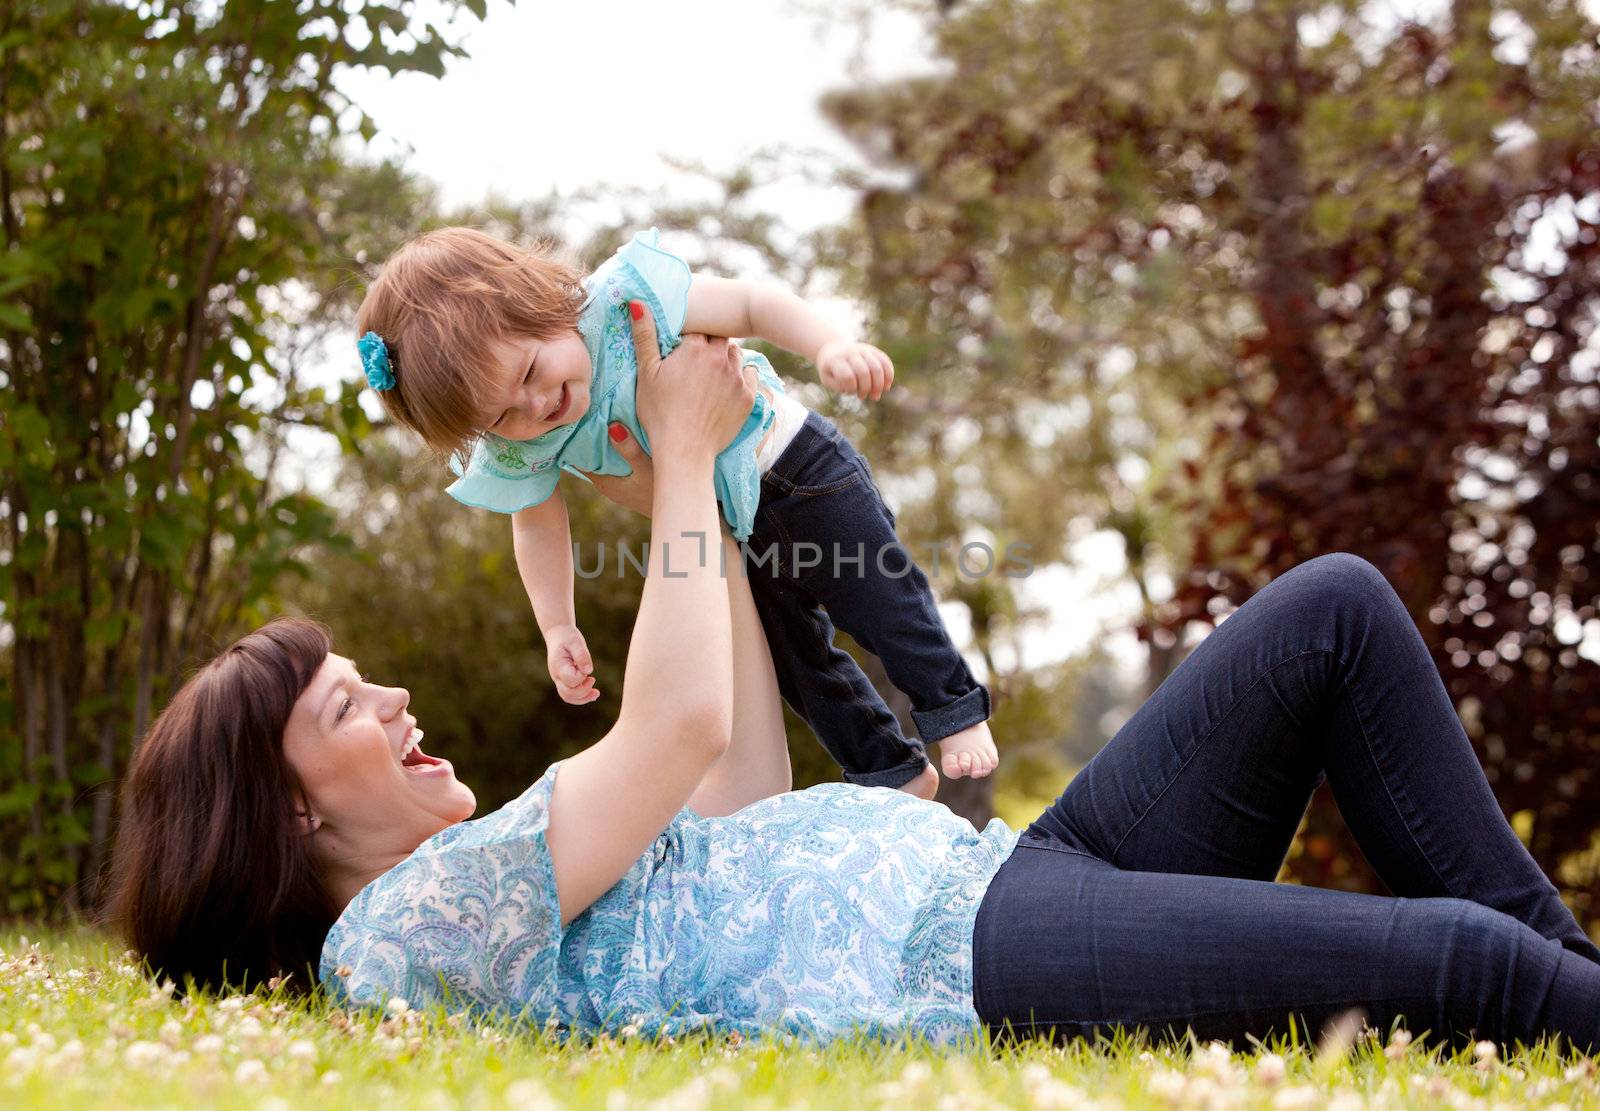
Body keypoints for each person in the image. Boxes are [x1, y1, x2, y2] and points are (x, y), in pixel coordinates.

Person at [107, 313, 1600, 1052]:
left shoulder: (511, 881)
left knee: (1331, 611)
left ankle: (1578, 1000)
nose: (397, 707)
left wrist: (662, 464)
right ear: (288, 813)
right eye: (346, 710)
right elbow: (674, 716)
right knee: (1449, 964)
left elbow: (736, 756)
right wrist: (685, 455)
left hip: (1012, 873)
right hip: (971, 957)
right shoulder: (399, 929)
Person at [351, 225, 998, 794]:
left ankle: (954, 710)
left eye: (528, 373)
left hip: (795, 465)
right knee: (795, 661)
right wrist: (557, 625)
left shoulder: (621, 301)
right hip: (730, 525)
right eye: (502, 415)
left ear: (536, 304)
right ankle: (889, 769)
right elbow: (537, 521)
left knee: (878, 594)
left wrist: (828, 347)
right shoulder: (522, 445)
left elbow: (749, 302)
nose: (536, 406)